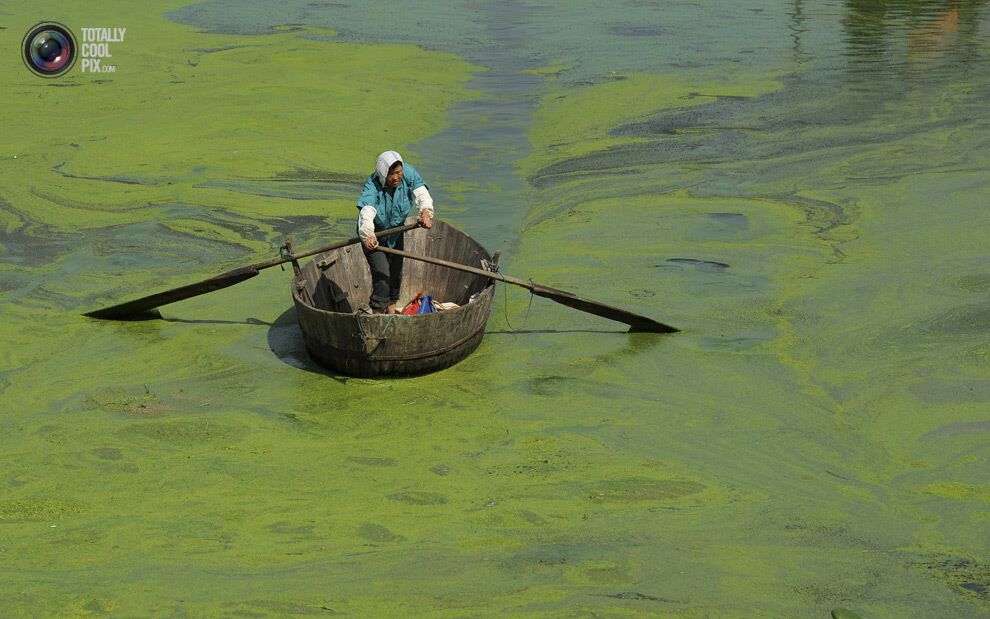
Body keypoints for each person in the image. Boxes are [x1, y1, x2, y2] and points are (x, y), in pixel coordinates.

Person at [356, 150, 434, 314]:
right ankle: (377, 316)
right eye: (392, 174)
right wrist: (368, 235)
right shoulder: (373, 185)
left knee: (396, 273)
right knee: (383, 275)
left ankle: (391, 314)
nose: (397, 177)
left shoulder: (408, 173)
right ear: (384, 174)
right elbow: (367, 212)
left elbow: (421, 194)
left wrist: (426, 212)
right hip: (374, 234)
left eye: (399, 172)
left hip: (396, 232)